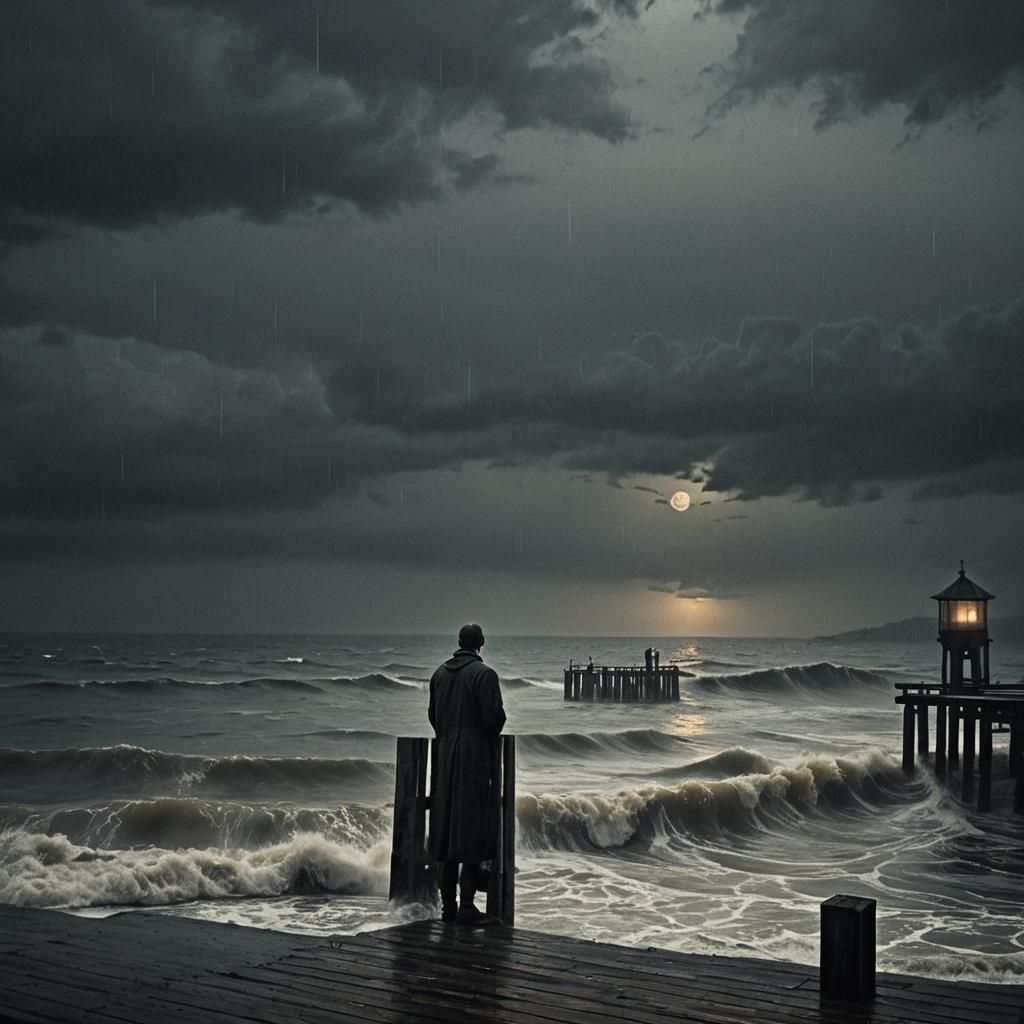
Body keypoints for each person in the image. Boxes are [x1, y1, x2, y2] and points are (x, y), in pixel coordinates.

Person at [428, 623, 506, 925]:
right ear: (482, 644)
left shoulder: (439, 674)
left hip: (444, 761)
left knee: (446, 835)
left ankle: (448, 907)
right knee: (472, 833)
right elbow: (493, 719)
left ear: (459, 642)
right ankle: (467, 907)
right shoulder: (485, 675)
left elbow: (433, 717)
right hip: (473, 762)